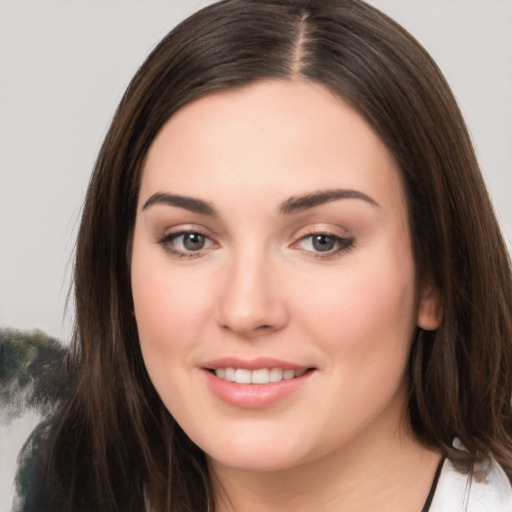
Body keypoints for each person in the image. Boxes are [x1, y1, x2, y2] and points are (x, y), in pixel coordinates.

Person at [23, 0, 512, 511]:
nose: (246, 310)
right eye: (190, 239)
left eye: (322, 240)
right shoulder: (67, 487)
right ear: (122, 274)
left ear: (435, 279)